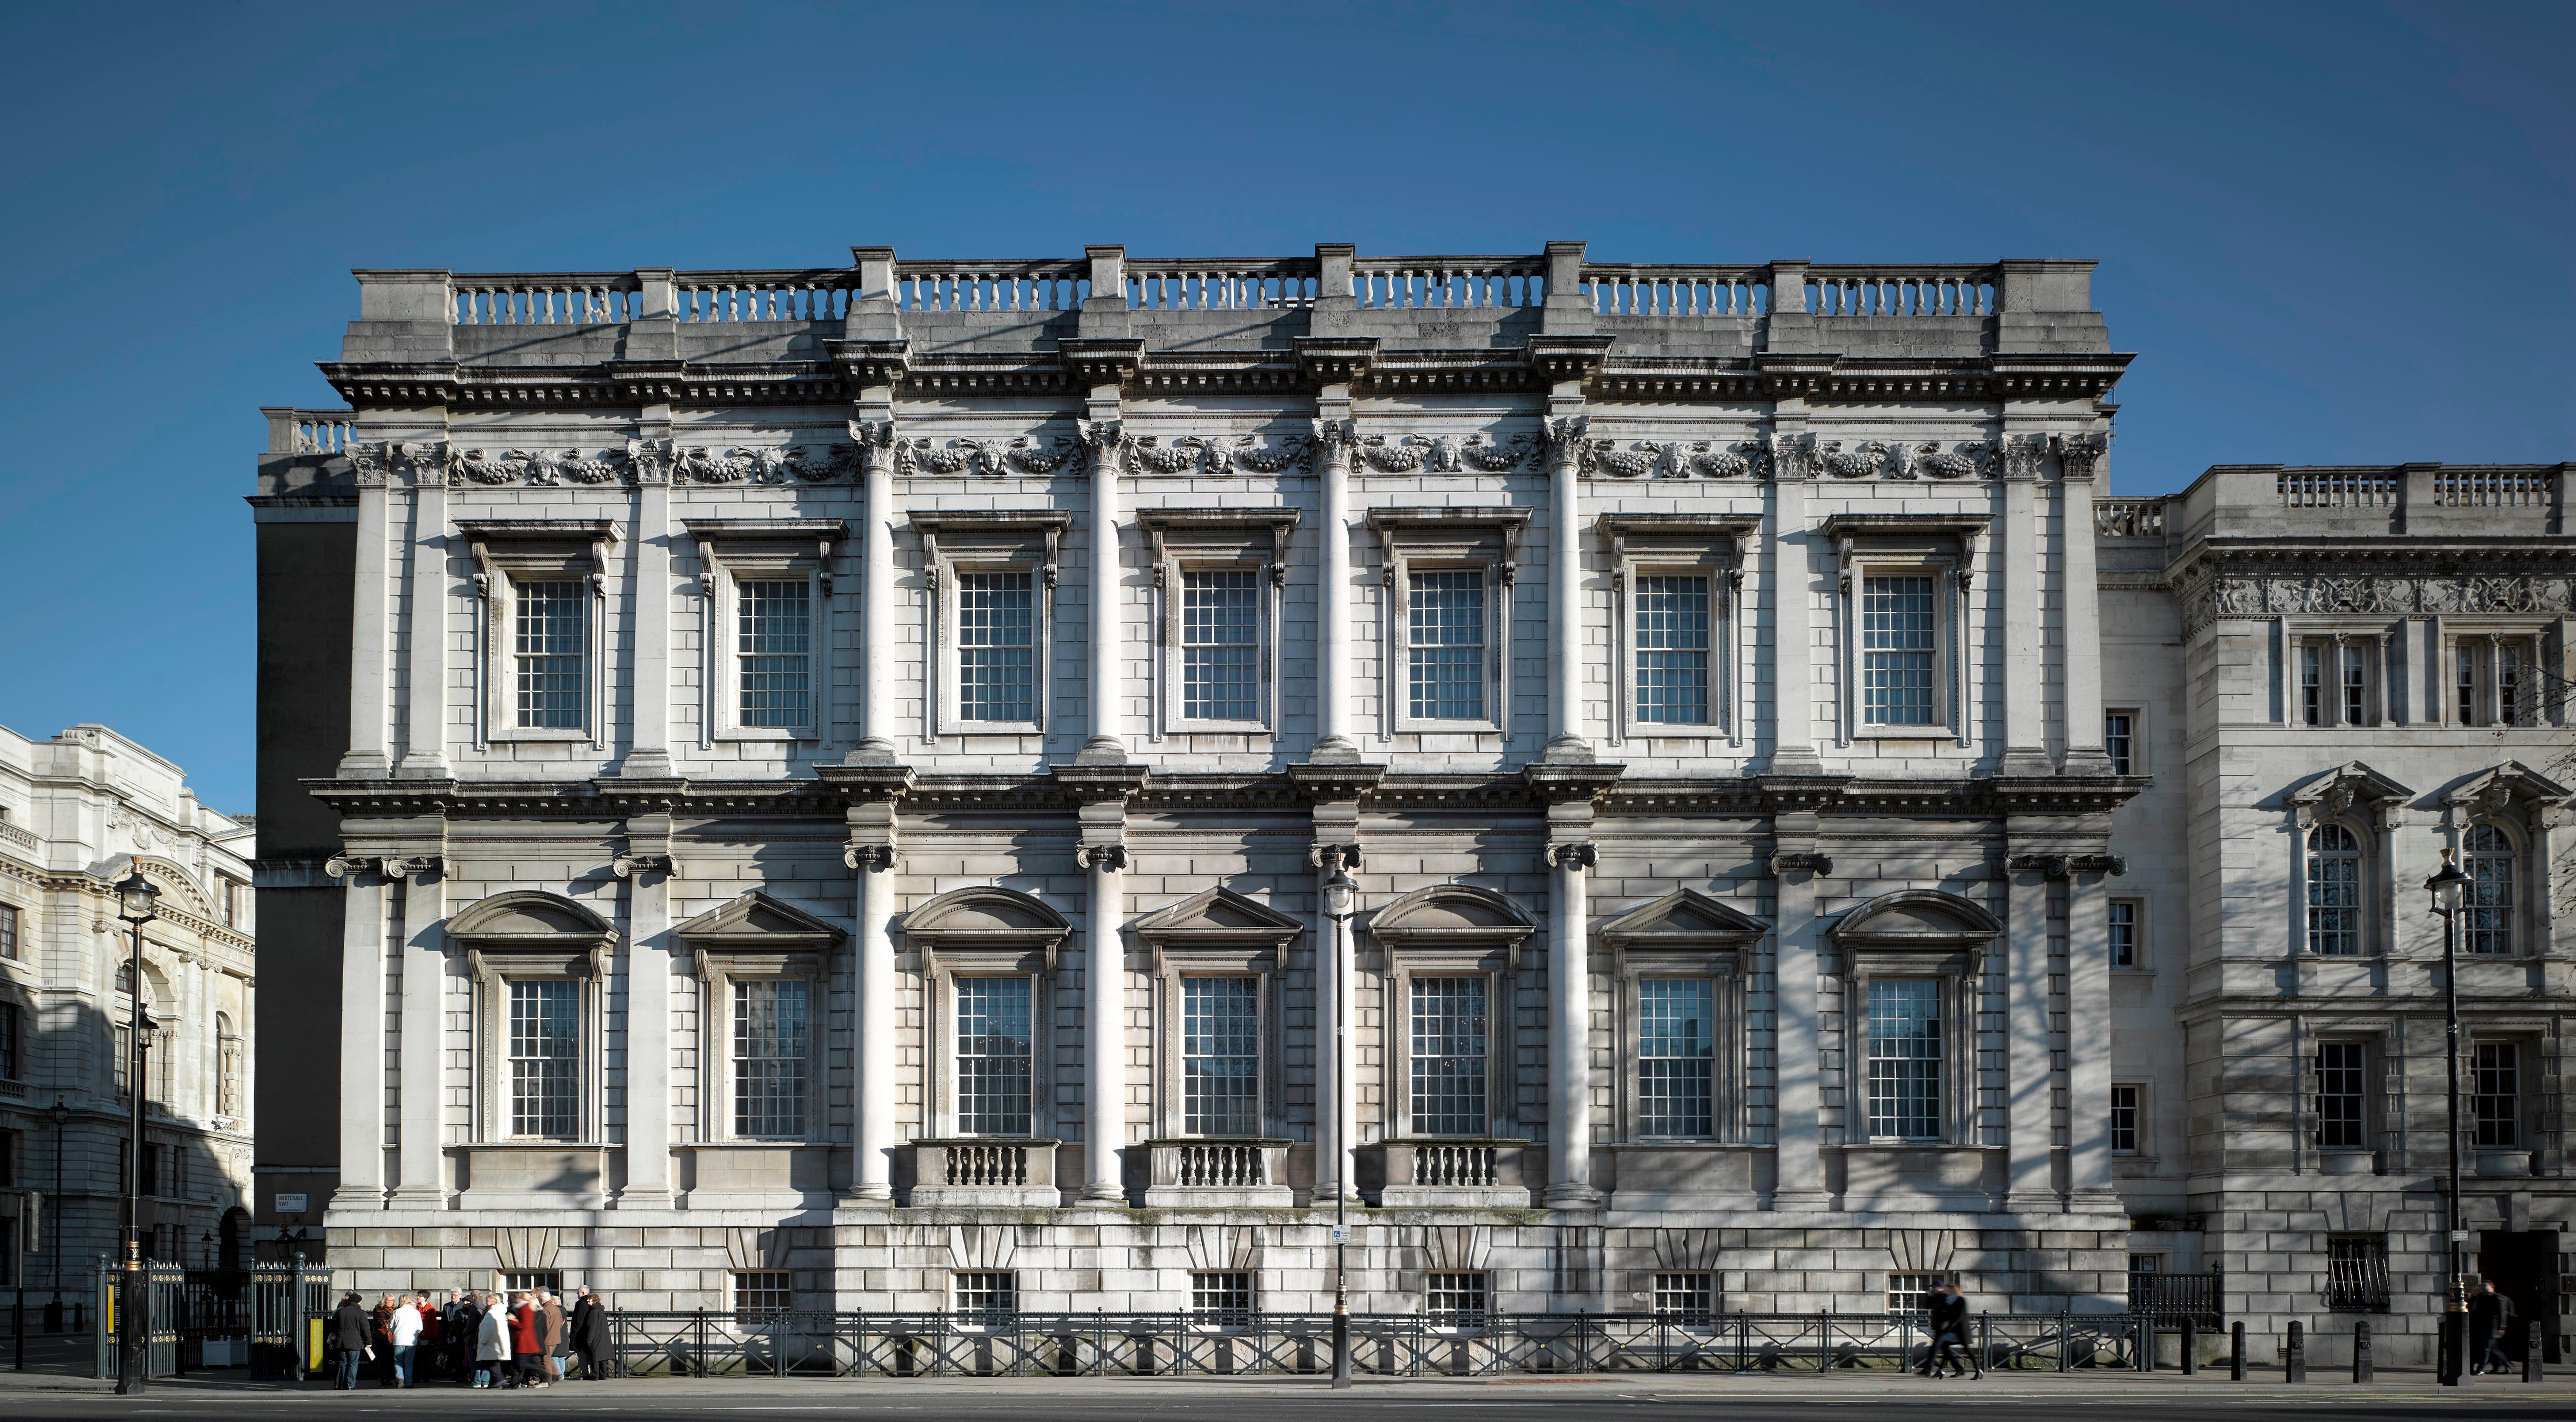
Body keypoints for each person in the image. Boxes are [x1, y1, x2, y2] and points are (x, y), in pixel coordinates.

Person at [1920, 1283, 1977, 1379]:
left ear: (1954, 1290)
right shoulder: (1949, 1300)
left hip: (1961, 1330)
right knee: (1945, 1347)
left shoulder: (1960, 1300)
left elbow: (1960, 1316)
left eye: (1949, 1290)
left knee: (1967, 1350)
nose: (1947, 1292)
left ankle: (1978, 1370)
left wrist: (1949, 1326)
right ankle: (1945, 1370)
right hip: (1951, 1330)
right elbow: (1945, 1313)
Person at [2469, 1281, 2516, 1376]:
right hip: (2481, 1328)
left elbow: (2502, 1313)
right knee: (2493, 1350)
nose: (2483, 1288)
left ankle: (2481, 1369)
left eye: (2485, 1286)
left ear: (2492, 1287)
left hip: (2491, 1328)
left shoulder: (2497, 1297)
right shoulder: (2481, 1297)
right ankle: (2507, 1364)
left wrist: (2502, 1327)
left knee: (2486, 1349)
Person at [329, 1292, 373, 1391]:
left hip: (341, 1341)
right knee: (353, 1363)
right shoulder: (361, 1313)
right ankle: (350, 1384)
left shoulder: (340, 1311)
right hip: (354, 1341)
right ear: (358, 1302)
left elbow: (332, 1327)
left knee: (343, 1363)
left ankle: (343, 1384)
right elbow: (365, 1328)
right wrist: (369, 1341)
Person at [572, 1286, 611, 1380]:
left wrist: (589, 1340)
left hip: (595, 1338)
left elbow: (592, 1327)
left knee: (595, 1357)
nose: (588, 1303)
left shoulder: (593, 1312)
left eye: (589, 1301)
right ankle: (603, 1376)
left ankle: (595, 1376)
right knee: (602, 1358)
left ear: (593, 1301)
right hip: (603, 1337)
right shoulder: (601, 1311)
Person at [475, 1292, 513, 1388]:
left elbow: (488, 1328)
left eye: (489, 1300)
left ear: (494, 1301)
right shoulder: (500, 1312)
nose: (487, 1301)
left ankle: (498, 1379)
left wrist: (483, 1340)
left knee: (490, 1361)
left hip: (491, 1342)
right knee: (494, 1361)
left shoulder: (492, 1313)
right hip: (497, 1341)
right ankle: (496, 1380)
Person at [509, 1292, 546, 1388]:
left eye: (517, 1297)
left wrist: (513, 1321)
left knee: (521, 1365)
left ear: (522, 1299)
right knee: (526, 1364)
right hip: (525, 1341)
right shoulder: (523, 1308)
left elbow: (525, 1325)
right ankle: (517, 1383)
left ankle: (547, 1377)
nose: (515, 1299)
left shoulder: (525, 1308)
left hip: (524, 1341)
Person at [388, 1293, 423, 1387]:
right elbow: (420, 1328)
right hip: (411, 1341)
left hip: (399, 1340)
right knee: (409, 1363)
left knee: (398, 1361)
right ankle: (409, 1382)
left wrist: (395, 1331)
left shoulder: (396, 1312)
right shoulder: (416, 1312)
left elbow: (391, 1326)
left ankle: (400, 1379)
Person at [541, 1288, 567, 1383]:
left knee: (546, 1359)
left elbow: (545, 1326)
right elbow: (561, 1323)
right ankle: (557, 1374)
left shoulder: (546, 1310)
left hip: (548, 1338)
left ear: (542, 1300)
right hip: (556, 1337)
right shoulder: (556, 1308)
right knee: (548, 1358)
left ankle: (548, 1379)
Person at [372, 1295, 399, 1387]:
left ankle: (389, 1378)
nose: (391, 1302)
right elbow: (380, 1323)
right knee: (383, 1359)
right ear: (385, 1301)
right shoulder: (379, 1309)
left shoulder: (396, 1310)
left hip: (393, 1337)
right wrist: (390, 1323)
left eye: (392, 1301)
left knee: (391, 1359)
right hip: (382, 1338)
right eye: (389, 1300)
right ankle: (382, 1379)